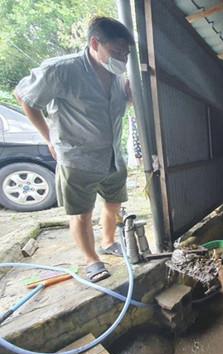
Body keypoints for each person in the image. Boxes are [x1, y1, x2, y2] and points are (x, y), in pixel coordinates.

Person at [15, 16, 134, 282]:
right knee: (81, 212)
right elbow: (25, 98)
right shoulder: (62, 70)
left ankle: (108, 240)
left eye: (126, 53)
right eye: (117, 52)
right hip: (78, 157)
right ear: (95, 43)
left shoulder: (117, 73)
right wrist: (49, 138)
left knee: (114, 203)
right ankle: (92, 260)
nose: (123, 58)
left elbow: (117, 104)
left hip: (113, 155)